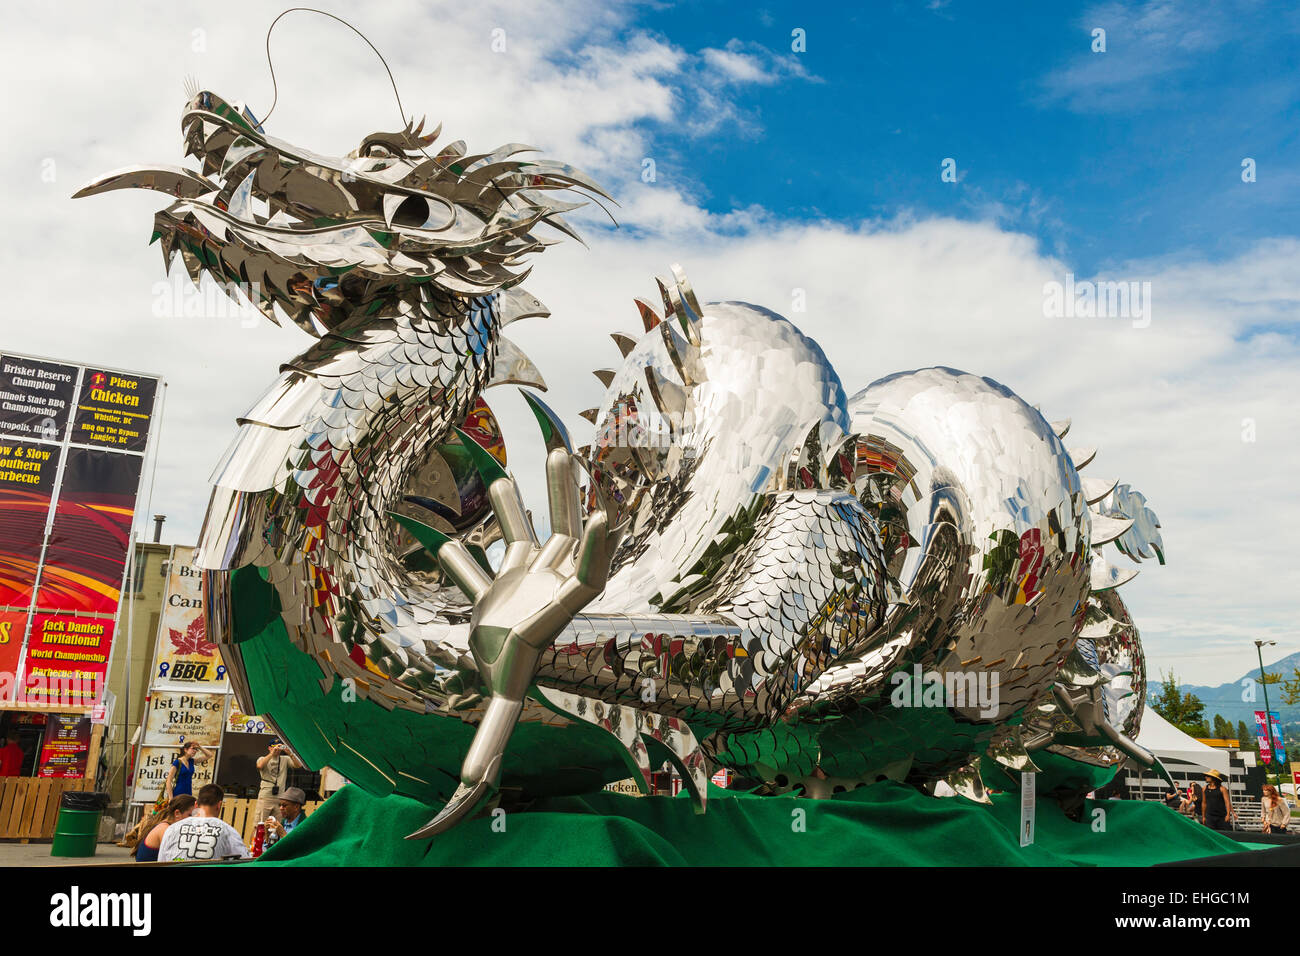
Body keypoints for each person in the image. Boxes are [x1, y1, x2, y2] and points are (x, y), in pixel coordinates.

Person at [158, 784, 250, 862]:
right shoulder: (227, 830)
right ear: (219, 805)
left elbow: (161, 861)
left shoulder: (172, 828)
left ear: (196, 805)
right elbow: (245, 860)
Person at [134, 795, 196, 862]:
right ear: (177, 813)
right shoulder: (165, 830)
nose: (195, 819)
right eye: (190, 815)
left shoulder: (165, 825)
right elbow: (177, 858)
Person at [254, 739, 302, 824]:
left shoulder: (285, 759)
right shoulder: (262, 759)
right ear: (269, 748)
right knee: (259, 824)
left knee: (277, 825)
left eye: (280, 747)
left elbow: (298, 765)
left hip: (280, 798)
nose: (277, 749)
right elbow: (260, 766)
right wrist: (272, 753)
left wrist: (290, 753)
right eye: (274, 747)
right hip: (265, 796)